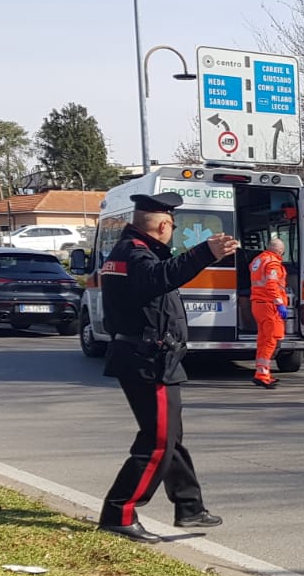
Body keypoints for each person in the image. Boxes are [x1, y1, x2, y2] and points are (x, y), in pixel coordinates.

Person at [97, 192, 239, 542]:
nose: (172, 231)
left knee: (169, 437)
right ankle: (120, 511)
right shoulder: (134, 254)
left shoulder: (132, 251)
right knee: (158, 441)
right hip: (147, 360)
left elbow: (158, 281)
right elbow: (159, 279)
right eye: (172, 225)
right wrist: (205, 253)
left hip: (152, 358)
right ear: (163, 225)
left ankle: (189, 507)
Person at [248, 236, 290, 389]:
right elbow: (271, 284)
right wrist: (279, 303)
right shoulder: (272, 262)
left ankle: (261, 372)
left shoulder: (258, 260)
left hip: (258, 304)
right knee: (271, 340)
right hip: (269, 305)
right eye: (282, 251)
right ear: (279, 250)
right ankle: (262, 374)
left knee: (263, 340)